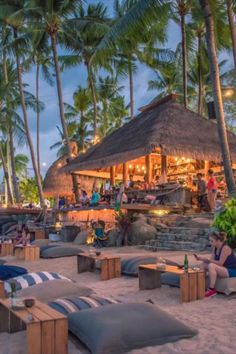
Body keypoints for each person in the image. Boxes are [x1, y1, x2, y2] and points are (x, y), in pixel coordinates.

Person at [195, 231, 236, 297]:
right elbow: (212, 260)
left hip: (231, 270)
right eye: (210, 241)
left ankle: (212, 290)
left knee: (211, 266)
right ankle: (201, 285)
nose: (210, 243)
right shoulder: (215, 248)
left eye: (212, 241)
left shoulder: (225, 248)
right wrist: (202, 259)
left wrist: (208, 260)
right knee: (203, 264)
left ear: (218, 240)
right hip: (223, 269)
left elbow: (220, 263)